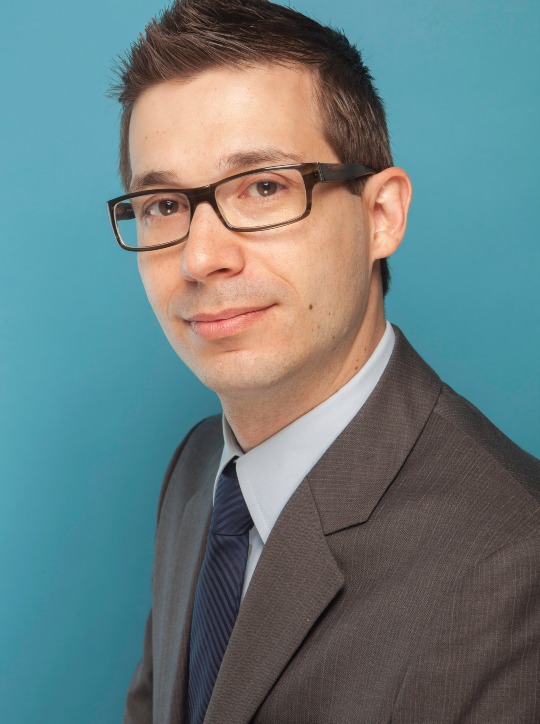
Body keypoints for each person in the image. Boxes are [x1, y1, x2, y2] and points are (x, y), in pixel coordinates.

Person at [107, 1, 540, 722]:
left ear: (381, 215)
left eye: (264, 187)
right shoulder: (195, 470)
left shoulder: (516, 564)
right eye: (163, 204)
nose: (200, 257)